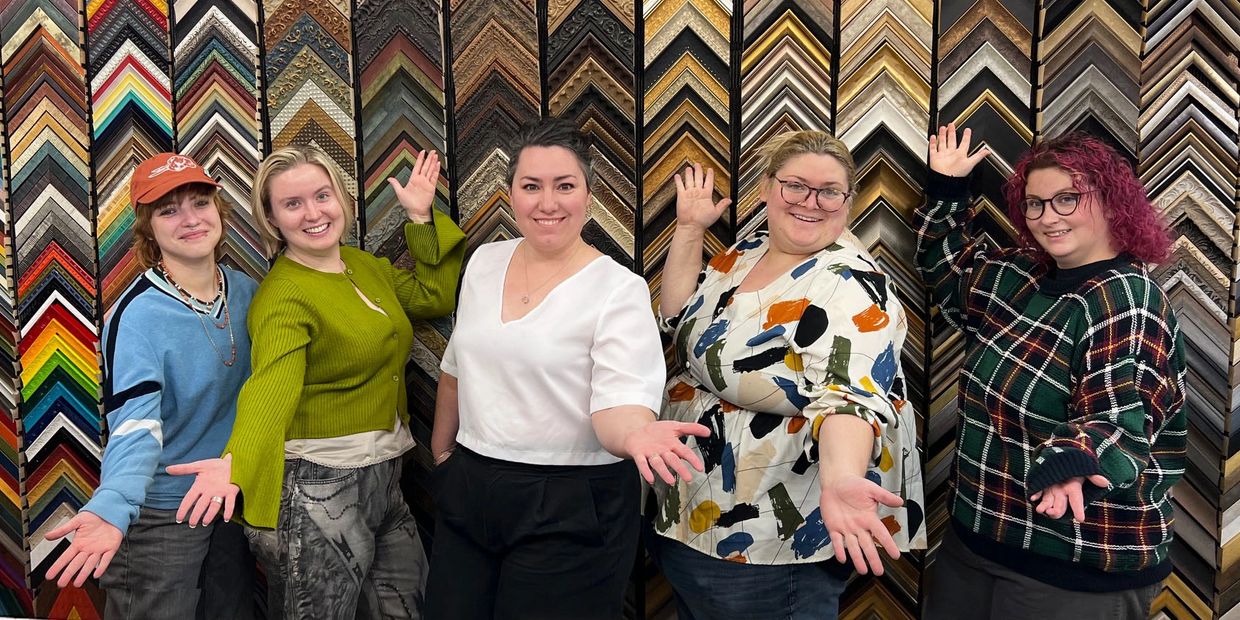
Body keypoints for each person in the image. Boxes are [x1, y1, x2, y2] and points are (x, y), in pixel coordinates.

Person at [424, 118, 709, 620]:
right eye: (531, 186)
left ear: (590, 196)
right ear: (511, 193)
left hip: (573, 501)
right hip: (472, 485)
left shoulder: (617, 290)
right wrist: (444, 452)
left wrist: (636, 437)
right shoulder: (485, 262)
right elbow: (457, 365)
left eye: (565, 186)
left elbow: (620, 406)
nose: (547, 202)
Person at [168, 145, 465, 619]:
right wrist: (236, 463)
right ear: (272, 219)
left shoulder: (362, 266)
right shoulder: (283, 297)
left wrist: (420, 218)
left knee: (409, 609)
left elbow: (433, 294)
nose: (313, 213)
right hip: (321, 488)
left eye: (321, 195)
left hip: (386, 474)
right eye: (293, 204)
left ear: (341, 199)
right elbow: (270, 389)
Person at [647, 130, 927, 620]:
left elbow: (850, 398)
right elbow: (681, 320)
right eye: (795, 185)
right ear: (765, 187)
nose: (810, 203)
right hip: (694, 513)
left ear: (848, 200)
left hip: (772, 540)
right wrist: (690, 228)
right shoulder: (750, 249)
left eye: (829, 192)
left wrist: (842, 478)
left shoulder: (853, 288)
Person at [917, 124, 1186, 620]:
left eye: (1067, 199)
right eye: (1036, 204)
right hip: (979, 539)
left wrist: (1072, 463)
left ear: (1111, 202)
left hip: (1074, 561)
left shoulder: (1128, 298)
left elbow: (1118, 417)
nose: (1047, 216)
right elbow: (950, 277)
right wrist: (949, 190)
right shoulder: (1023, 275)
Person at [44, 153, 259, 618]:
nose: (189, 219)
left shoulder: (247, 292)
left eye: (199, 202)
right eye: (168, 210)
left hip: (234, 499)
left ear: (218, 213)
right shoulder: (137, 315)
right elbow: (134, 424)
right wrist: (115, 503)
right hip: (165, 513)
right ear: (148, 230)